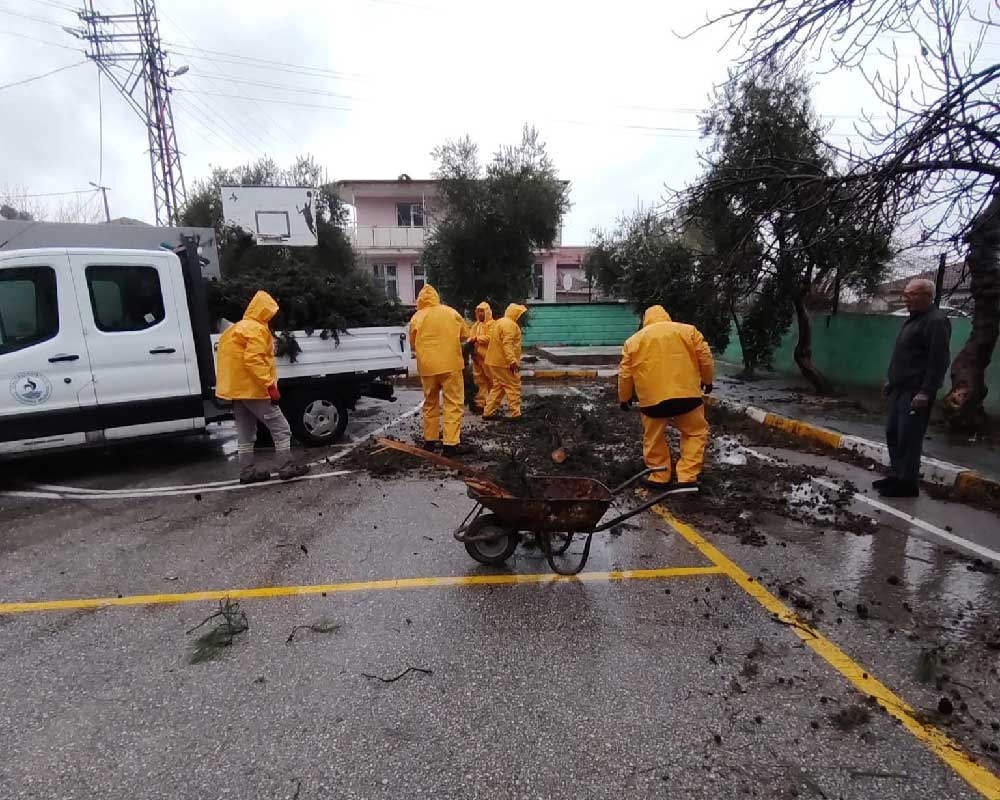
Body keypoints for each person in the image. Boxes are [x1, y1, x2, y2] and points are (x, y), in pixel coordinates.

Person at [216, 290, 309, 484]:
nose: (272, 316)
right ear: (264, 311)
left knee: (245, 433)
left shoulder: (234, 329)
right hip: (254, 389)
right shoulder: (257, 330)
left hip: (237, 391)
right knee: (281, 428)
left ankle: (247, 472)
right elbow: (253, 360)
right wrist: (269, 385)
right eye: (270, 312)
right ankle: (286, 467)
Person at [618, 305, 714, 488]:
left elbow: (625, 374)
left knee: (653, 438)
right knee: (695, 433)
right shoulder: (688, 331)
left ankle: (659, 476)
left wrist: (624, 397)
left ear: (645, 320)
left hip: (651, 401)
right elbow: (705, 356)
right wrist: (707, 380)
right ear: (667, 316)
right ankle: (687, 477)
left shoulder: (633, 341)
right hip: (687, 397)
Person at [876, 278, 951, 498]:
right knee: (894, 433)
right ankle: (897, 475)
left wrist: (926, 391)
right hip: (900, 388)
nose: (906, 299)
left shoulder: (936, 321)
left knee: (909, 437)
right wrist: (892, 381)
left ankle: (907, 484)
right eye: (906, 294)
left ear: (926, 297)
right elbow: (906, 356)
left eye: (911, 295)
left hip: (915, 392)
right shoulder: (913, 320)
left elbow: (938, 360)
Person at [409, 284, 471, 455]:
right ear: (436, 297)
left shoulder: (416, 317)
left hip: (427, 367)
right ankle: (450, 445)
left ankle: (430, 441)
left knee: (430, 403)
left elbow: (412, 343)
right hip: (450, 365)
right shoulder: (450, 312)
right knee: (453, 403)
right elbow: (465, 334)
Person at [483, 303, 528, 420]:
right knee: (513, 385)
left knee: (498, 387)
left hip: (494, 361)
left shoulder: (500, 322)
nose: (520, 316)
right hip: (504, 363)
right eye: (520, 314)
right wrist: (512, 361)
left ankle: (488, 412)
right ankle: (516, 414)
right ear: (515, 314)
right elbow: (507, 344)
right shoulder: (510, 325)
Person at [468, 301, 494, 410]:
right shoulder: (476, 325)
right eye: (478, 311)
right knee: (479, 381)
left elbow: (490, 338)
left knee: (492, 381)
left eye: (482, 311)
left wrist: (477, 339)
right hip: (477, 358)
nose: (480, 314)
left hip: (489, 358)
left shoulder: (492, 324)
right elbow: (470, 337)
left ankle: (493, 404)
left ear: (487, 312)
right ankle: (480, 403)